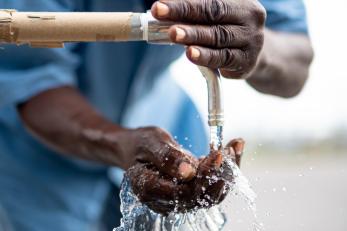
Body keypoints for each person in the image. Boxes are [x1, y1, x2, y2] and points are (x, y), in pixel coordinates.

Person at [0, 0, 313, 230]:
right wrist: (120, 144)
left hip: (168, 116)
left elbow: (297, 60)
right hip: (38, 164)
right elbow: (32, 77)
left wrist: (256, 48)